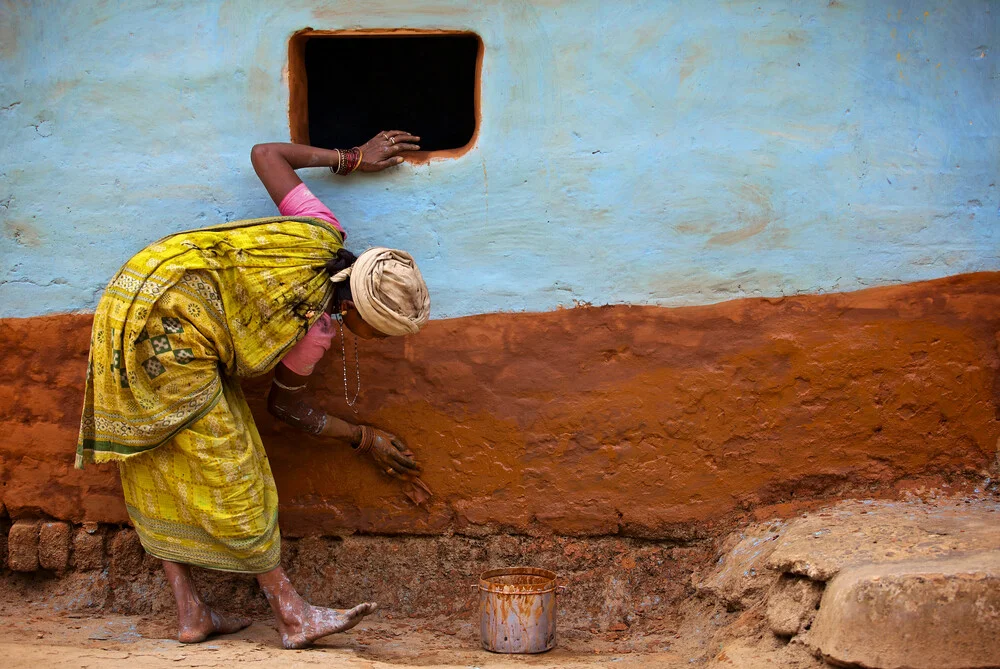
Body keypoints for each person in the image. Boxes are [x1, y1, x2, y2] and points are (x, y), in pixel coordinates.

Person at [75, 131, 430, 648]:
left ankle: (192, 613)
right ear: (354, 309)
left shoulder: (320, 230)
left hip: (134, 289)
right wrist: (361, 437)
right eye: (383, 333)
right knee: (238, 473)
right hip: (169, 334)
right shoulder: (313, 329)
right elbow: (285, 406)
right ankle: (292, 615)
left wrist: (351, 159)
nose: (382, 343)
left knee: (157, 456)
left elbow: (266, 155)